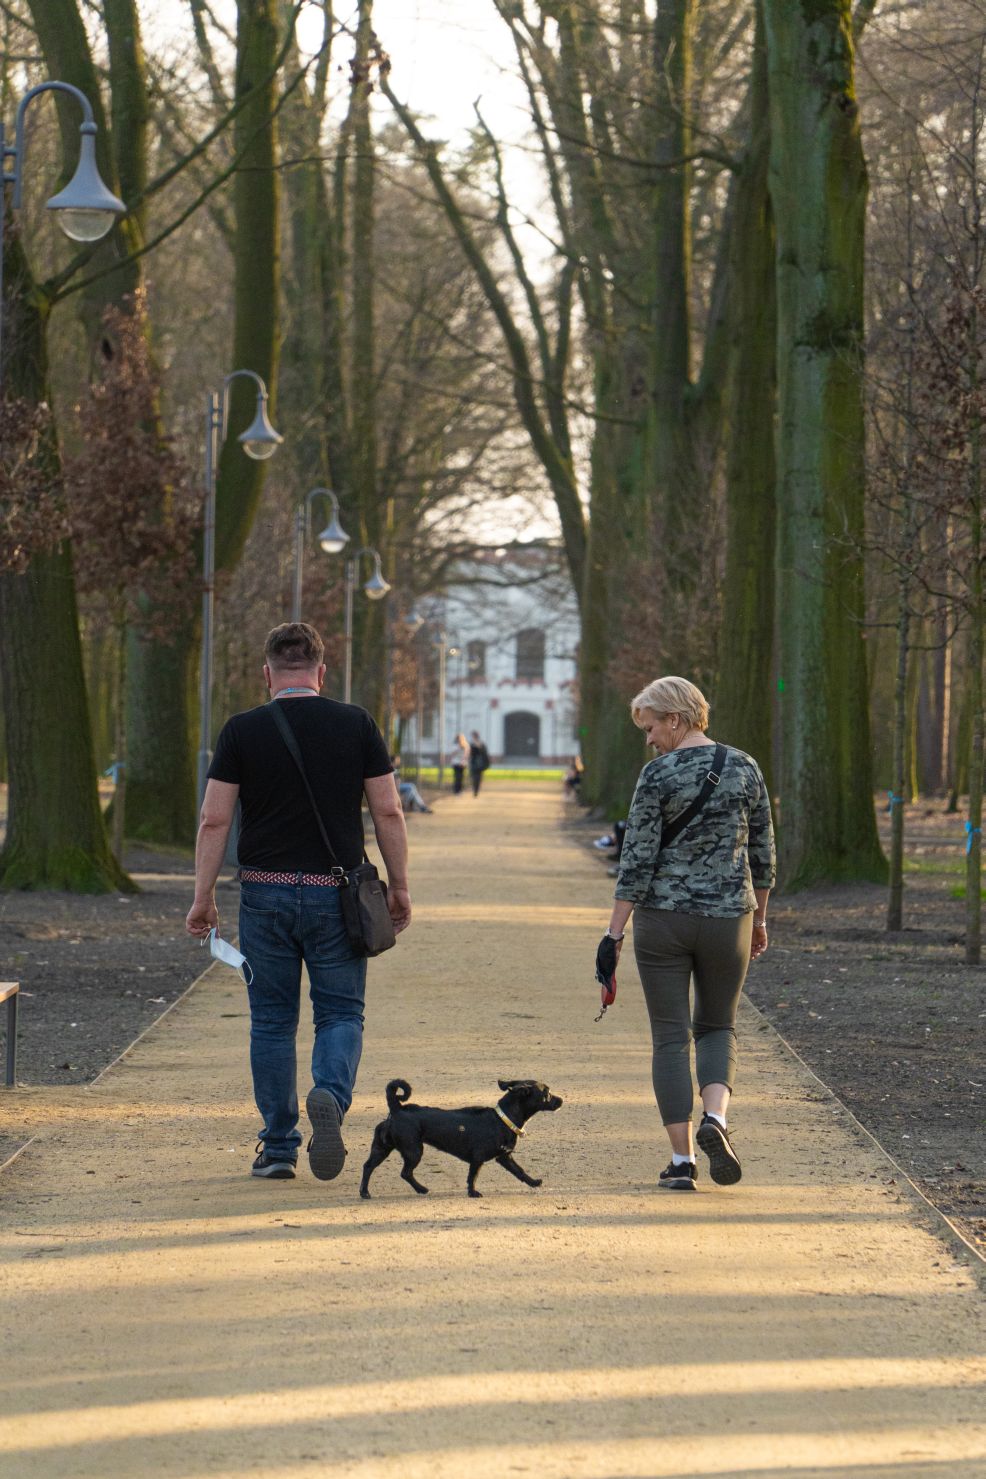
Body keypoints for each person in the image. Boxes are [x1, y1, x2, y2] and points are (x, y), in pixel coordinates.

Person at [185, 622, 412, 1182]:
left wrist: (203, 895)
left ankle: (279, 1147)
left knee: (270, 1022)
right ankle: (330, 1095)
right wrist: (400, 885)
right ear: (321, 672)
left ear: (267, 674)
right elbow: (388, 811)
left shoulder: (241, 731)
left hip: (263, 895)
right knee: (340, 1012)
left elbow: (215, 818)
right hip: (338, 897)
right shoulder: (355, 724)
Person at [598, 675, 774, 1193]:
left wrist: (613, 932)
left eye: (651, 727)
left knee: (671, 1039)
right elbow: (763, 854)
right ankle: (716, 1118)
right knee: (718, 1027)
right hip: (729, 919)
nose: (649, 739)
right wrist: (760, 918)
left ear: (674, 719)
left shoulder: (657, 775)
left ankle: (682, 1162)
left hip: (664, 922)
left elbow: (636, 859)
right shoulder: (746, 767)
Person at [468, 730, 490, 797]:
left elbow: (485, 754)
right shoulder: (472, 744)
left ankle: (476, 790)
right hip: (475, 763)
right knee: (475, 777)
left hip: (479, 763)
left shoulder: (481, 744)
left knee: (477, 778)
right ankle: (475, 790)